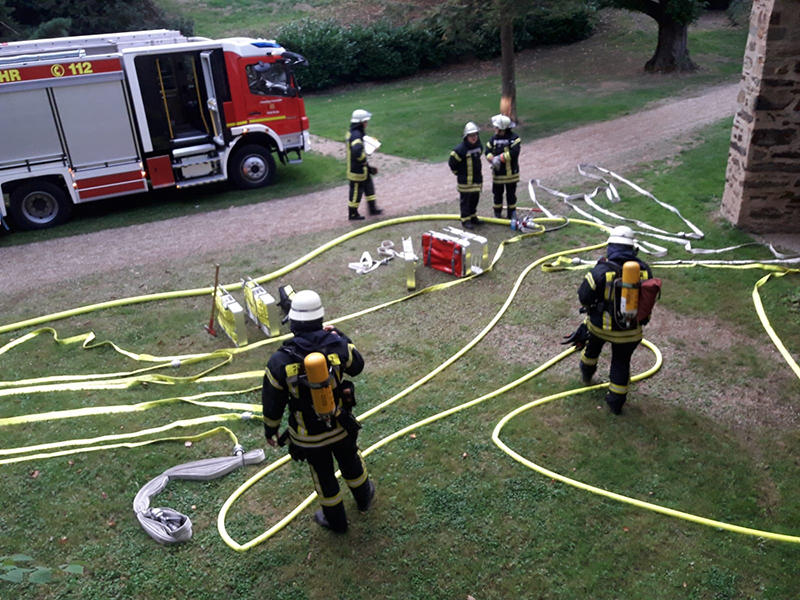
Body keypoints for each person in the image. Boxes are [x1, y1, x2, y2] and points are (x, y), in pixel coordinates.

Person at [262, 290, 375, 532]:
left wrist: (270, 430)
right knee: (351, 461)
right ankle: (365, 497)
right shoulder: (337, 345)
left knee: (323, 476)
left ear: (293, 323)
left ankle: (336, 521)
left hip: (309, 436)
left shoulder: (280, 361)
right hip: (341, 426)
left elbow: (273, 401)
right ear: (320, 319)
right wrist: (339, 335)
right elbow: (357, 366)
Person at [577, 226, 654, 415]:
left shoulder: (601, 271)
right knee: (621, 361)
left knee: (592, 348)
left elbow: (584, 296)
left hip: (600, 328)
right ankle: (615, 403)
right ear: (632, 248)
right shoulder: (644, 271)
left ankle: (587, 374)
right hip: (630, 332)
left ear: (610, 246)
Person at [346, 109, 382, 221]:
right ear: (360, 122)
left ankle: (372, 209)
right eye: (365, 121)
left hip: (362, 169)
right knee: (356, 192)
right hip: (357, 169)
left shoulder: (355, 132)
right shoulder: (356, 135)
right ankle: (352, 213)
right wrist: (363, 161)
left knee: (369, 188)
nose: (367, 123)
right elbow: (357, 150)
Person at [448, 121, 483, 230]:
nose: (474, 138)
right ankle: (465, 220)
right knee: (465, 202)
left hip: (476, 180)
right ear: (466, 136)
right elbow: (452, 163)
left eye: (475, 135)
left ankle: (473, 217)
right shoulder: (460, 150)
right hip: (465, 182)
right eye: (471, 136)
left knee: (475, 199)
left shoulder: (479, 146)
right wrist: (458, 173)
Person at [485, 114, 521, 219]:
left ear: (502, 128)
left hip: (511, 175)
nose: (495, 129)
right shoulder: (493, 139)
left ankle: (511, 214)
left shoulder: (514, 139)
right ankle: (497, 214)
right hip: (498, 175)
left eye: (496, 127)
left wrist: (500, 158)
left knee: (511, 195)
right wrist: (491, 158)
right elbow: (487, 151)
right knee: (497, 195)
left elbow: (514, 152)